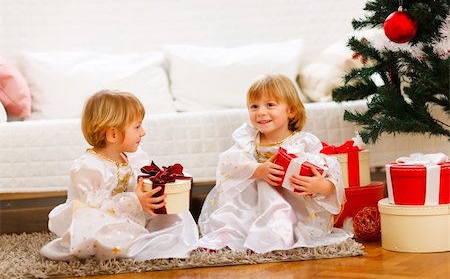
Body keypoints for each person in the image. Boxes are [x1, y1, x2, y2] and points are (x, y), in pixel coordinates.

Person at [198, 74, 352, 253]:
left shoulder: (302, 142)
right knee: (231, 216)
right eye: (254, 106)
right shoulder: (248, 139)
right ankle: (225, 240)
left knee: (279, 215)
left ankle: (265, 241)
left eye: (270, 105)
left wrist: (320, 185)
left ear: (291, 111)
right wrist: (258, 169)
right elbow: (229, 162)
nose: (261, 112)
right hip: (250, 200)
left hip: (288, 201)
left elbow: (329, 173)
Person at [40, 90, 199, 261]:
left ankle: (147, 237)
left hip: (132, 215)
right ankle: (132, 242)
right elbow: (95, 207)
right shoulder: (89, 167)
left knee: (176, 215)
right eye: (137, 127)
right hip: (99, 219)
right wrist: (135, 201)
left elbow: (143, 180)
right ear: (113, 135)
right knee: (112, 234)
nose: (143, 132)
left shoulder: (132, 157)